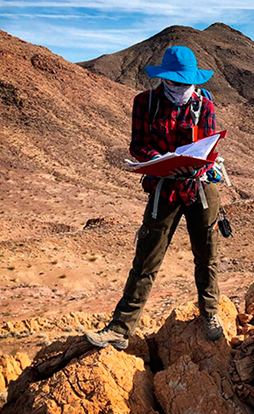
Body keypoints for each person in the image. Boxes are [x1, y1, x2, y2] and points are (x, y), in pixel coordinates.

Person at [85, 46, 224, 349]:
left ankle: (210, 313)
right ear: (164, 80)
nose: (181, 89)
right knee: (146, 258)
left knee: (207, 256)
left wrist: (197, 162)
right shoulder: (145, 104)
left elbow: (209, 149)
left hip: (200, 188)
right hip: (164, 188)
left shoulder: (204, 106)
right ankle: (120, 329)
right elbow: (138, 145)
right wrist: (159, 160)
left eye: (186, 83)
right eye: (175, 83)